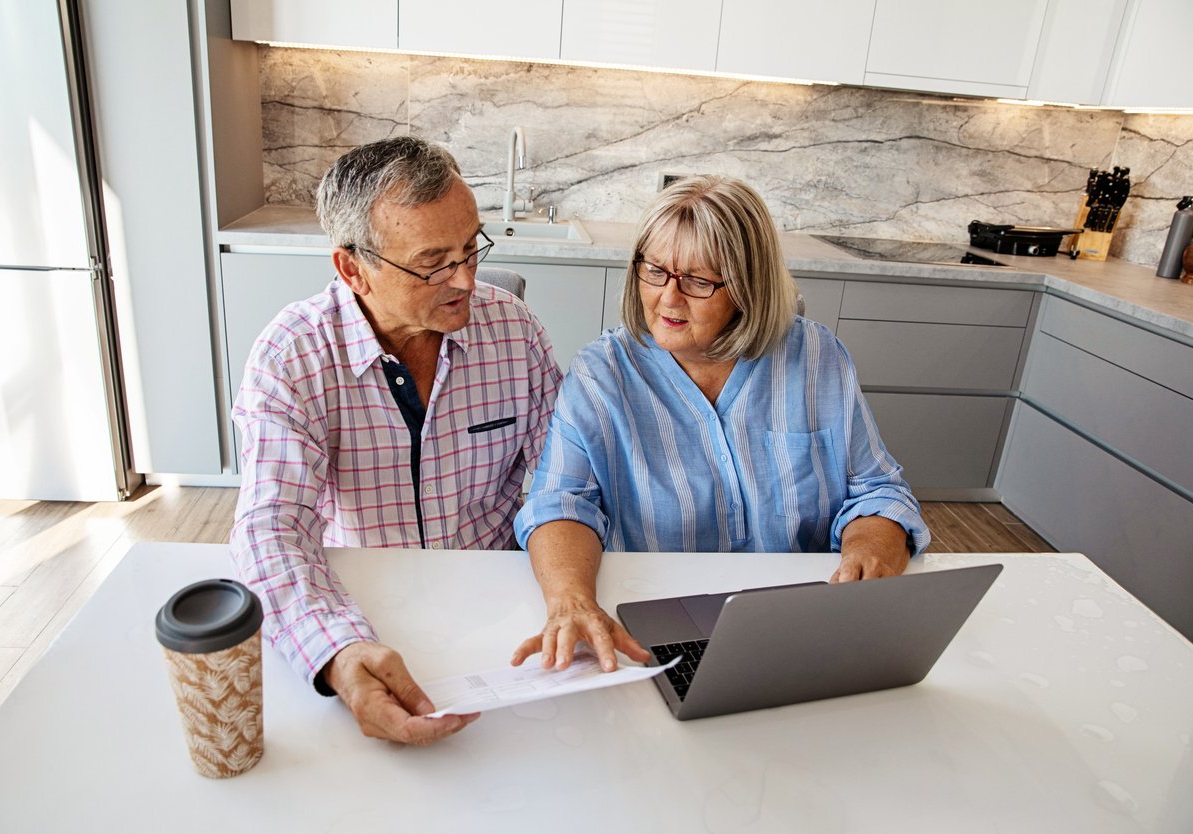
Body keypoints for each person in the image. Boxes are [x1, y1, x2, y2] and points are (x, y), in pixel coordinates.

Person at [511, 175, 930, 673]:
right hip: (655, 622)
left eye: (698, 281)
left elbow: (878, 489)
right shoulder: (601, 373)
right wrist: (571, 600)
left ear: (748, 286)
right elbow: (561, 503)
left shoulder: (817, 358)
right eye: (655, 271)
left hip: (802, 619)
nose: (668, 299)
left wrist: (871, 548)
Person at [231, 137, 563, 745]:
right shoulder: (293, 356)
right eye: (434, 262)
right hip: (364, 608)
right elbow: (271, 527)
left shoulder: (516, 332)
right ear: (352, 268)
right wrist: (337, 651)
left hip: (504, 614)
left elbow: (560, 486)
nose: (466, 279)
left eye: (471, 248)